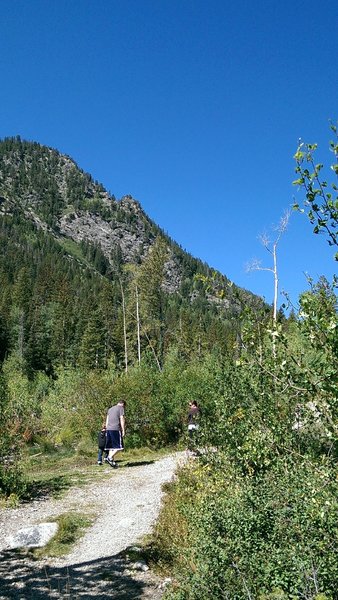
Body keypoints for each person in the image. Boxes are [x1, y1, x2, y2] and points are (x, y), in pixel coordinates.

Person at [105, 400, 126, 468]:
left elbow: (107, 420)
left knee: (111, 447)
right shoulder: (121, 408)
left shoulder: (110, 409)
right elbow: (122, 419)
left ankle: (112, 463)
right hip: (115, 429)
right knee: (120, 447)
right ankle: (109, 457)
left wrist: (106, 429)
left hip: (108, 429)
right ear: (122, 404)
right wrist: (123, 430)